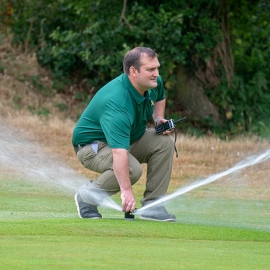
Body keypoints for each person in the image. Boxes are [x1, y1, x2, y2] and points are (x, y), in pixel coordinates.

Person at [72, 47, 176, 221]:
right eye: (150, 69)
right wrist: (126, 192)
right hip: (93, 146)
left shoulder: (153, 83)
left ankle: (152, 206)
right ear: (133, 71)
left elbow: (160, 95)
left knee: (164, 142)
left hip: (128, 140)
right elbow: (118, 152)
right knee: (131, 170)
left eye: (157, 68)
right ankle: (87, 196)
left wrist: (158, 118)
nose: (156, 73)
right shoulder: (117, 103)